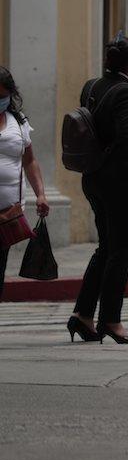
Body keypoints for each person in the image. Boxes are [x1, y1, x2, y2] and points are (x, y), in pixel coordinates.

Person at [70, 33, 128, 344]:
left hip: (94, 177)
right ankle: (111, 320)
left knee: (106, 247)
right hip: (121, 182)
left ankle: (83, 315)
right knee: (123, 250)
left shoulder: (92, 86)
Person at [0, 68, 50, 302]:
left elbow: (29, 161)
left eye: (2, 97)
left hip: (8, 214)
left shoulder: (18, 123)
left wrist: (41, 194)